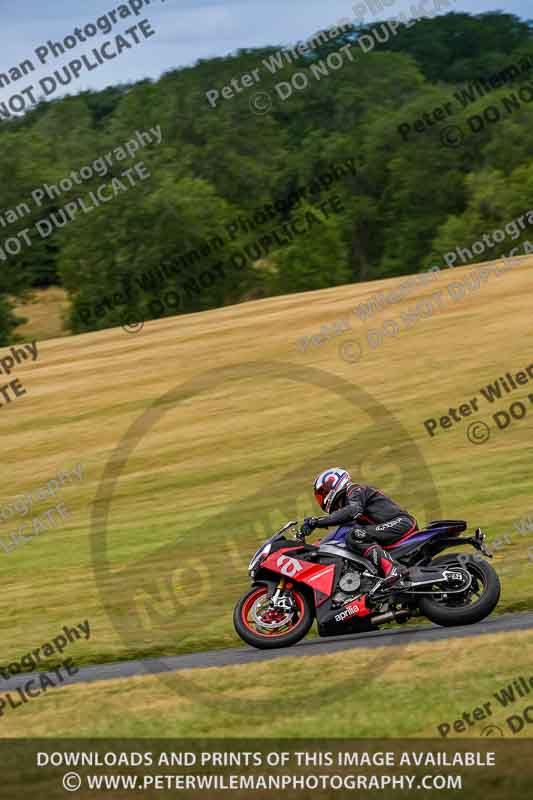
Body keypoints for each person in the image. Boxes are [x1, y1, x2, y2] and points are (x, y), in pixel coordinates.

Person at [301, 467, 418, 592]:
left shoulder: (354, 490)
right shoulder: (348, 504)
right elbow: (341, 530)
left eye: (323, 492)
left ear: (334, 483)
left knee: (355, 535)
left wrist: (317, 522)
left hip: (401, 522)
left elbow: (352, 511)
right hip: (387, 529)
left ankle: (395, 570)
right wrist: (318, 546)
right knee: (350, 536)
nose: (322, 498)